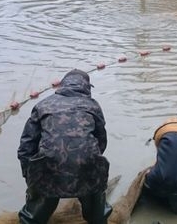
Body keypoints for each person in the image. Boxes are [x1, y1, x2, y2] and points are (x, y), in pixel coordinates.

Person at [17, 69, 111, 224]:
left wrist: (30, 177)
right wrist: (83, 158)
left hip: (48, 169)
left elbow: (26, 146)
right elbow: (102, 142)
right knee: (97, 215)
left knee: (33, 218)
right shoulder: (93, 105)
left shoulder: (42, 105)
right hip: (87, 167)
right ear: (86, 87)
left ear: (61, 86)